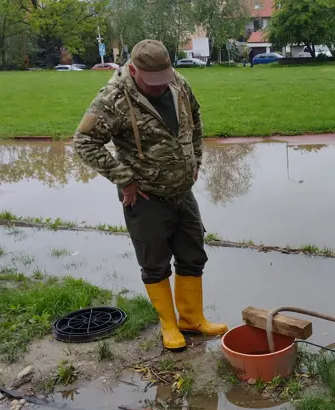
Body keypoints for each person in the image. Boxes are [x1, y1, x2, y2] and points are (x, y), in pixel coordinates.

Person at [73, 39, 227, 351]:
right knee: (155, 262)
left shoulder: (178, 84)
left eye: (163, 80)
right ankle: (169, 324)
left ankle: (192, 318)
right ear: (132, 70)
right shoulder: (113, 98)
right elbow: (84, 142)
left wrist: (195, 158)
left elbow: (195, 118)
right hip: (144, 196)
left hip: (182, 191)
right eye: (151, 82)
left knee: (193, 254)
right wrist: (125, 180)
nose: (159, 88)